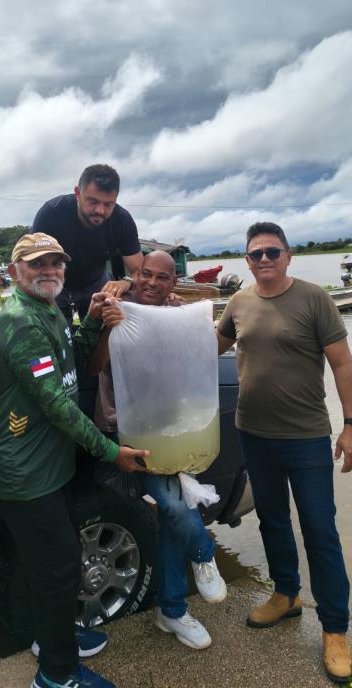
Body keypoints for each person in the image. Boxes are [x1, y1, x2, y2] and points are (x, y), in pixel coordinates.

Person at [0, 232, 149, 688]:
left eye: (55, 263)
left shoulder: (47, 308)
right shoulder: (23, 322)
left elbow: (71, 356)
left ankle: (50, 636)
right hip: (22, 473)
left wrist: (92, 320)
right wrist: (111, 451)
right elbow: (56, 404)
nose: (48, 270)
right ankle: (57, 674)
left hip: (42, 466)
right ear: (14, 272)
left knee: (45, 563)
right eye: (36, 264)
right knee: (59, 569)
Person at [216, 222, 352, 684]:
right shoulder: (238, 303)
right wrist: (149, 318)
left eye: (272, 252)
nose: (264, 259)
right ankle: (286, 594)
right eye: (255, 254)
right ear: (246, 260)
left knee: (320, 529)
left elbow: (343, 364)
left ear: (288, 255)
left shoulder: (315, 299)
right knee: (273, 520)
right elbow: (207, 348)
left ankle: (335, 629)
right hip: (253, 435)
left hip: (306, 438)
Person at [92, 251, 228, 650]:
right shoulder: (116, 308)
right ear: (135, 275)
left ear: (173, 282)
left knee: (171, 522)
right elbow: (93, 366)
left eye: (162, 277)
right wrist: (107, 328)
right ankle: (204, 554)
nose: (152, 282)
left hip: (173, 429)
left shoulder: (175, 313)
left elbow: (196, 358)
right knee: (174, 507)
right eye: (145, 274)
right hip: (127, 431)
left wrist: (193, 319)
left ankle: (172, 611)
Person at [32, 164, 143, 321]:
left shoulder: (122, 221)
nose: (100, 210)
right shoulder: (51, 214)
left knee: (109, 326)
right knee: (54, 331)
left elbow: (140, 271)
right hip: (57, 284)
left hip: (98, 283)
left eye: (108, 204)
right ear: (78, 193)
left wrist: (126, 282)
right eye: (93, 201)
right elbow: (32, 265)